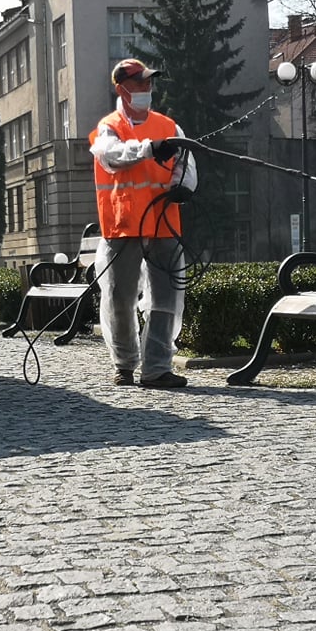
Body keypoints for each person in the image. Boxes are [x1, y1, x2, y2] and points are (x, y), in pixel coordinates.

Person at [89, 58, 198, 389]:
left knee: (166, 299)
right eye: (139, 84)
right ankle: (124, 364)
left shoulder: (169, 127)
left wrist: (182, 184)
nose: (147, 89)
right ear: (122, 89)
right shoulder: (108, 127)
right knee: (120, 299)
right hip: (124, 225)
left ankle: (157, 368)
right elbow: (112, 155)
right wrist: (149, 149)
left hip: (164, 223)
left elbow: (185, 162)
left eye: (149, 83)